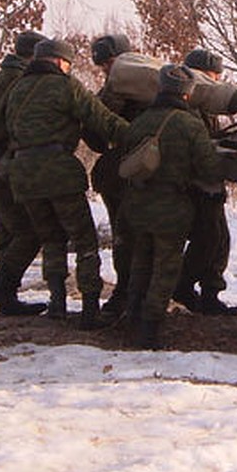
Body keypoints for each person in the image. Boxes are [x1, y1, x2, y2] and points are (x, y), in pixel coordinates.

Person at [1, 38, 129, 329]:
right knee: (84, 240)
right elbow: (103, 121)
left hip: (22, 175)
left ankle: (56, 303)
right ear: (60, 62)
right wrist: (143, 134)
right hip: (58, 171)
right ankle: (89, 310)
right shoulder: (66, 86)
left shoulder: (17, 89)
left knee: (51, 239)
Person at [121, 64, 223, 348]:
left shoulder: (140, 121)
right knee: (166, 267)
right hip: (172, 206)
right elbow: (209, 168)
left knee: (141, 261)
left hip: (138, 203)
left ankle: (131, 318)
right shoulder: (190, 125)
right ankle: (150, 331)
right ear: (188, 95)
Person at [0, 30, 52, 317]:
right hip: (0, 167)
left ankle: (6, 300)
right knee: (28, 232)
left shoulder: (3, 76)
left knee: (8, 234)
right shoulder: (20, 81)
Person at [175, 48, 237, 315]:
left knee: (219, 239)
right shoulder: (187, 105)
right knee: (208, 239)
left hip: (207, 184)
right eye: (211, 76)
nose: (213, 82)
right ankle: (183, 286)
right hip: (194, 185)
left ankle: (210, 293)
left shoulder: (203, 106)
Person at [86, 34, 147, 318]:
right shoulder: (156, 79)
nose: (107, 70)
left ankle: (127, 294)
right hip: (151, 172)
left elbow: (97, 132)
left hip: (125, 173)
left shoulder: (119, 84)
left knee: (126, 235)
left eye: (108, 64)